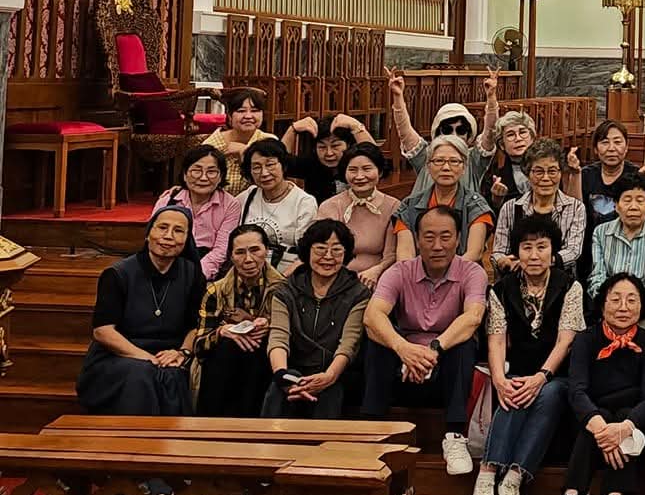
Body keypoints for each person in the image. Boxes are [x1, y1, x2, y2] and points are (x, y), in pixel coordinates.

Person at [363, 204, 488, 477]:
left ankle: (454, 435)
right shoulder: (400, 271)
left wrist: (433, 349)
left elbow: (473, 317)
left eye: (446, 236)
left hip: (446, 362)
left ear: (459, 239)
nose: (437, 245)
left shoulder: (472, 272)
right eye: (429, 237)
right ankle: (372, 429)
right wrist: (403, 349)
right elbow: (373, 315)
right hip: (403, 361)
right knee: (376, 337)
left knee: (465, 342)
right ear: (417, 240)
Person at [473, 212, 583, 495]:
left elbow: (565, 341)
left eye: (542, 247)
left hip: (557, 373)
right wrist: (499, 379)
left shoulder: (570, 286)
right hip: (519, 369)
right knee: (512, 392)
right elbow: (496, 340)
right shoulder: (501, 289)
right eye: (527, 247)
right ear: (517, 252)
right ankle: (487, 473)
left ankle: (514, 478)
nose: (534, 255)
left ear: (553, 251)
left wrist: (542, 376)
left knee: (548, 393)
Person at [550, 273, 645, 495]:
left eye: (631, 300)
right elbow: (577, 390)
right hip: (592, 415)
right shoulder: (585, 340)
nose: (623, 307)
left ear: (642, 306)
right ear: (602, 305)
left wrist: (624, 427)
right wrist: (601, 427)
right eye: (615, 300)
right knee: (593, 424)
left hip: (630, 419)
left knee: (623, 420)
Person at [78, 206, 201, 436]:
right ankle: (133, 444)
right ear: (148, 233)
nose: (168, 236)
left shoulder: (191, 273)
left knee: (174, 375)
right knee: (142, 375)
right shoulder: (117, 273)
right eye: (162, 227)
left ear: (187, 239)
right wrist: (147, 358)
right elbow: (103, 331)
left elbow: (196, 325)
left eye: (178, 231)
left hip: (169, 354)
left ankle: (171, 449)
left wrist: (182, 352)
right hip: (118, 356)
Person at [263, 220, 370, 418]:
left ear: (346, 253)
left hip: (335, 371)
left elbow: (349, 343)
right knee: (278, 388)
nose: (328, 257)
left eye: (336, 250)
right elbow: (278, 337)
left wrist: (329, 376)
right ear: (307, 251)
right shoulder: (285, 290)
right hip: (293, 369)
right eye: (320, 249)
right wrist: (282, 375)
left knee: (331, 392)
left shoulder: (358, 293)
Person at [194, 224, 283, 416]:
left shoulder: (283, 290)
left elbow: (292, 340)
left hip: (264, 363)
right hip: (223, 366)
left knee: (259, 348)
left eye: (255, 250)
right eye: (240, 252)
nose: (248, 259)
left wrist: (270, 326)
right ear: (231, 256)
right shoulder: (215, 291)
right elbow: (199, 346)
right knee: (228, 345)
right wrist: (220, 332)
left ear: (267, 251)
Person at [388, 67, 498, 204]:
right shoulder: (426, 156)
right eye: (447, 130)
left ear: (469, 134)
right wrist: (398, 97)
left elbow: (490, 132)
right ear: (437, 132)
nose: (454, 135)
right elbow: (405, 131)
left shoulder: (474, 160)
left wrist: (491, 99)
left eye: (461, 130)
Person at [586, 170, 645, 320]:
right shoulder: (601, 232)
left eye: (640, 200)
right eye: (627, 200)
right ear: (616, 205)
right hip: (609, 307)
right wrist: (606, 302)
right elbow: (597, 275)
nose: (633, 207)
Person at [393, 135, 493, 267]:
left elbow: (474, 253)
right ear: (428, 166)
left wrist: (445, 276)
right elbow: (404, 255)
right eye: (439, 161)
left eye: (454, 161)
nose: (446, 167)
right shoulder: (409, 205)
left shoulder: (476, 205)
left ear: (464, 167)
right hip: (418, 275)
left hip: (464, 273)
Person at [491, 136, 585, 275]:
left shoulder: (575, 207)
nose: (546, 178)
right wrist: (503, 261)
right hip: (517, 276)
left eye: (552, 171)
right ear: (527, 174)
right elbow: (498, 251)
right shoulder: (510, 207)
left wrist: (536, 262)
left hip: (559, 278)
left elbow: (573, 251)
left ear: (560, 173)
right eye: (539, 172)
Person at [316, 142, 399, 288]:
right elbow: (322, 250)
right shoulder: (330, 206)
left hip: (377, 280)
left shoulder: (393, 206)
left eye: (367, 169)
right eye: (353, 170)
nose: (359, 176)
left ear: (380, 172)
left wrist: (376, 271)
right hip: (335, 279)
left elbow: (391, 255)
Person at [154, 145, 241, 281]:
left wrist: (193, 276)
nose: (203, 178)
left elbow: (221, 251)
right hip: (168, 261)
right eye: (196, 170)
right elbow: (154, 240)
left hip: (207, 270)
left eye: (211, 172)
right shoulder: (168, 200)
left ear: (221, 177)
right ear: (184, 174)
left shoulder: (230, 205)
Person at [236, 136, 317, 270]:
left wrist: (282, 278)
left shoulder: (304, 202)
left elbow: (306, 253)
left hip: (286, 271)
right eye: (256, 167)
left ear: (283, 165)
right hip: (247, 269)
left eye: (270, 165)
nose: (264, 173)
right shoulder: (248, 196)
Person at [571, 120, 642, 251]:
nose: (611, 148)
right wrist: (575, 174)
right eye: (605, 142)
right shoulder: (586, 174)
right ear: (595, 149)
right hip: (588, 246)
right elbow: (575, 210)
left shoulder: (635, 175)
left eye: (617, 142)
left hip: (624, 247)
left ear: (626, 147)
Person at [283, 112, 374, 202]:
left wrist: (357, 127)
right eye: (322, 147)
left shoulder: (356, 163)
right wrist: (292, 129)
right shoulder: (311, 163)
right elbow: (281, 162)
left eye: (335, 146)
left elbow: (374, 159)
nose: (329, 153)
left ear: (348, 145)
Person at [205, 89, 267, 196]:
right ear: (229, 116)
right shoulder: (213, 145)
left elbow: (270, 182)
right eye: (241, 111)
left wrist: (244, 153)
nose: (248, 116)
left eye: (254, 110)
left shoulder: (267, 141)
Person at [485, 109, 537, 212]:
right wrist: (497, 199)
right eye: (510, 135)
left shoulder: (547, 167)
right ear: (502, 145)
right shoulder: (495, 174)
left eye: (523, 132)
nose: (518, 139)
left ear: (532, 138)